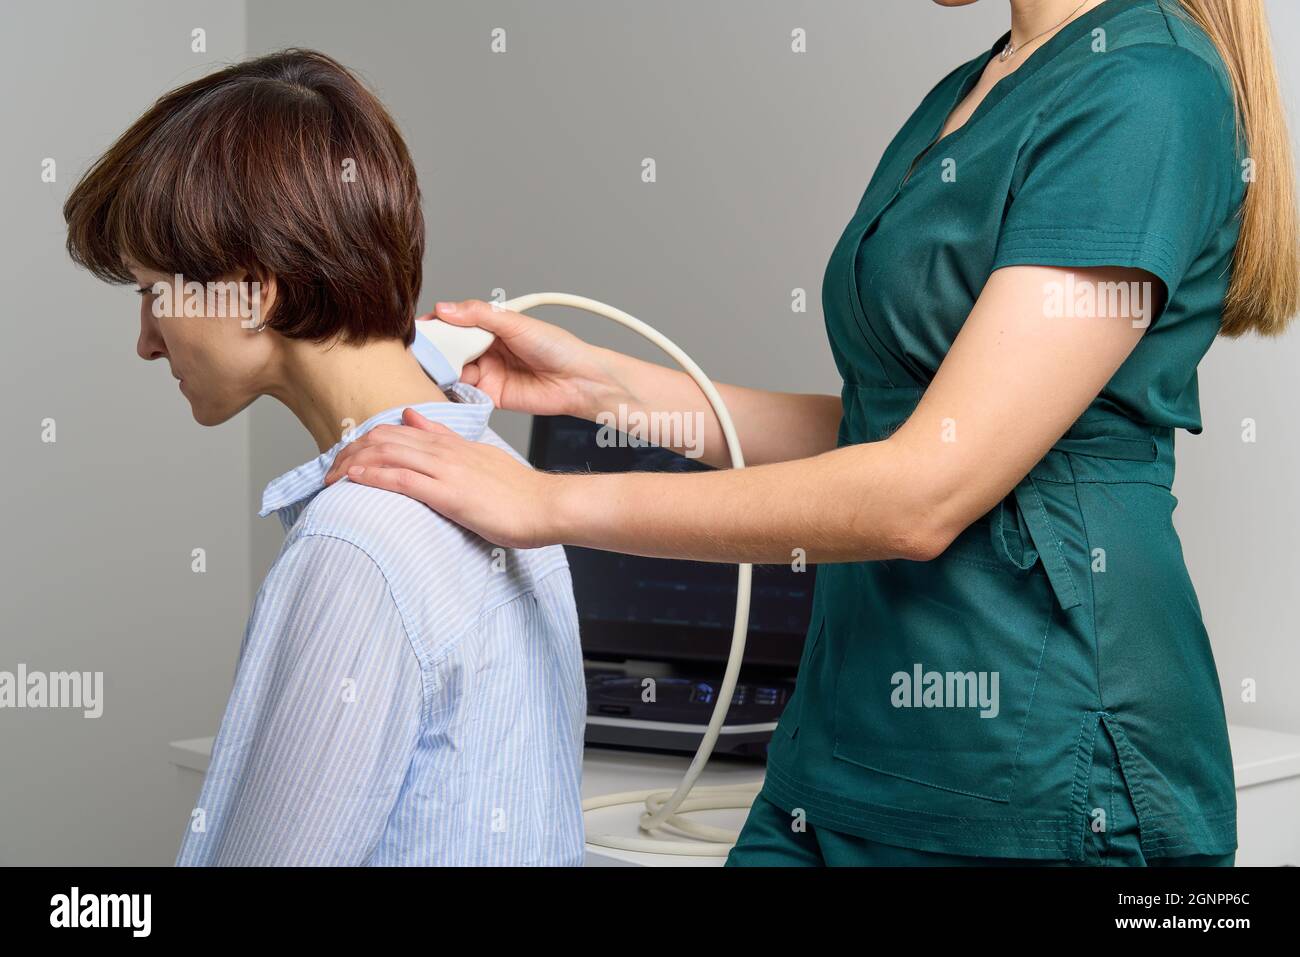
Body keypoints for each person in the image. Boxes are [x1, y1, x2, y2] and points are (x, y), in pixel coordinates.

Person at [326, 0, 1299, 865]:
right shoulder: (973, 89)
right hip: (842, 744)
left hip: (1037, 764)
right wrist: (609, 392)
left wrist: (545, 504)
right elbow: (888, 429)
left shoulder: (1147, 90)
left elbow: (921, 493)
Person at [63, 49, 586, 866]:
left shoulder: (357, 544)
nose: (144, 340)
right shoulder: (503, 486)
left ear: (252, 290)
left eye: (151, 292)